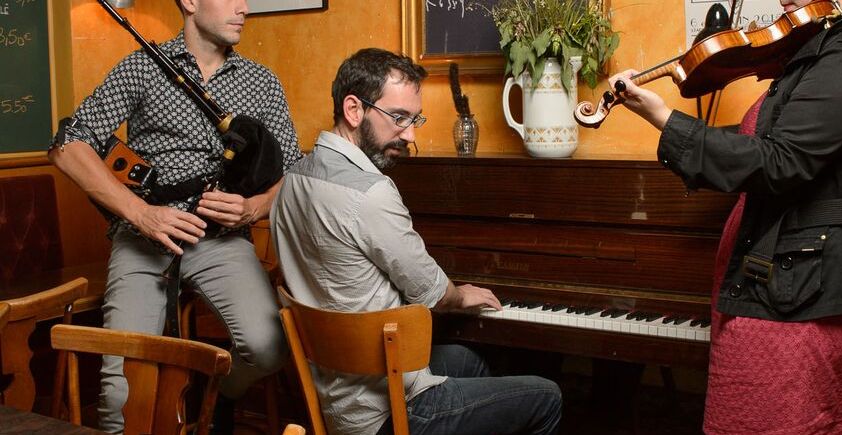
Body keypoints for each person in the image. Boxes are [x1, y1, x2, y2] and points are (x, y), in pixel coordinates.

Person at [606, 0, 842, 433]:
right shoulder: (831, 44)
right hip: (803, 281)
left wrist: (663, 118)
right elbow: (776, 142)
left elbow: (779, 162)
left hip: (818, 292)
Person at [270, 48, 563, 435]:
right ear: (353, 109)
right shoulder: (371, 192)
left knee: (469, 360)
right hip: (388, 411)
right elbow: (433, 293)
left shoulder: (294, 178)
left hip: (336, 396)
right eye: (399, 118)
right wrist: (460, 295)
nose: (410, 134)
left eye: (414, 119)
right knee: (547, 396)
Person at [49, 0, 302, 433]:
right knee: (119, 394)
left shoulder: (261, 82)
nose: (244, 8)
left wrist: (253, 208)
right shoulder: (142, 66)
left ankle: (216, 396)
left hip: (220, 240)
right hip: (142, 241)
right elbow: (67, 146)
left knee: (268, 348)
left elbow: (293, 173)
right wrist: (141, 214)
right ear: (189, 2)